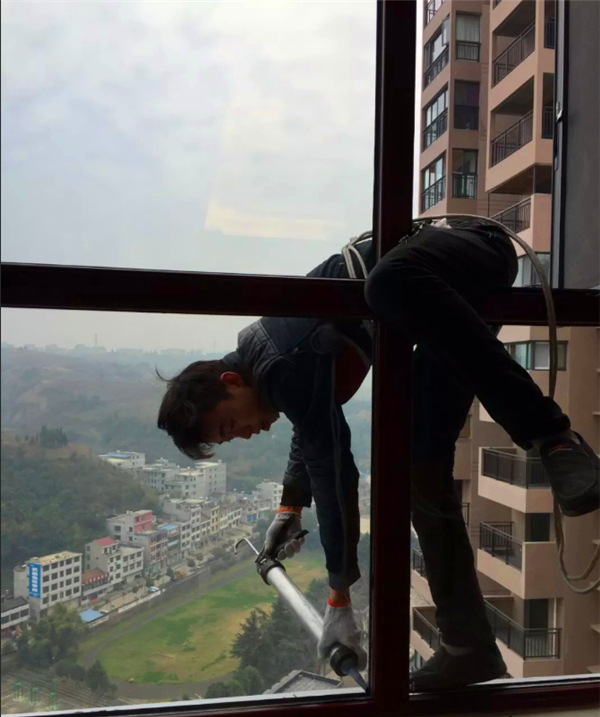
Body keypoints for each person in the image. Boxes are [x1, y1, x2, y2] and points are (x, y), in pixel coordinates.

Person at [157, 221, 600, 692]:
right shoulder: (272, 367)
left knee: (387, 281)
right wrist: (290, 504)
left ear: (231, 382)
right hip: (450, 300)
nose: (244, 435)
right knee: (416, 464)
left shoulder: (280, 362)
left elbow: (334, 476)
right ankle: (468, 646)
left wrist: (339, 597)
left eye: (230, 425)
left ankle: (555, 438)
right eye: (231, 438)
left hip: (477, 247)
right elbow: (313, 423)